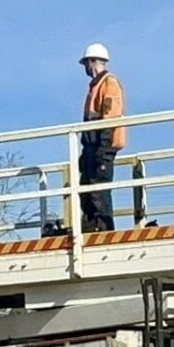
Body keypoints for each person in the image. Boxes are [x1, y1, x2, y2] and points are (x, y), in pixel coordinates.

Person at [78, 42, 125, 233]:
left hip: (102, 146)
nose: (85, 67)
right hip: (92, 147)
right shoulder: (96, 86)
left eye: (86, 63)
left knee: (99, 190)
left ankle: (104, 229)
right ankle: (93, 227)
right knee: (87, 190)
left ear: (92, 61)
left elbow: (110, 116)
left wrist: (103, 148)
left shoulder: (108, 83)